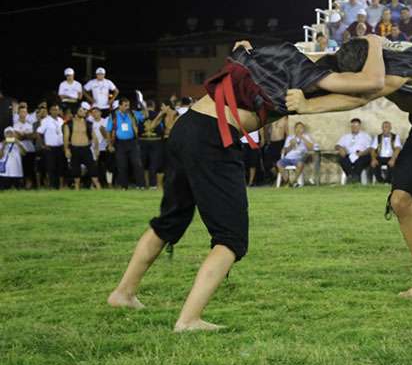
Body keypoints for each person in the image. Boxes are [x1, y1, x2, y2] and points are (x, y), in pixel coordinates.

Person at [108, 37, 388, 330]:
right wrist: (376, 44)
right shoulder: (314, 76)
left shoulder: (282, 52)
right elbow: (373, 84)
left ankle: (123, 293)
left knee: (170, 220)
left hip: (187, 126)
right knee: (231, 238)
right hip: (214, 136)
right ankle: (188, 320)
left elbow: (242, 47)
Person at [287, 36, 412, 307]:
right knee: (400, 201)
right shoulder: (371, 57)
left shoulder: (401, 64)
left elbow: (365, 94)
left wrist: (308, 106)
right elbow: (325, 61)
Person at [106, 98, 145, 189]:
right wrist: (110, 145)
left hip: (132, 142)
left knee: (137, 163)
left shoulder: (132, 113)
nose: (127, 107)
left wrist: (144, 107)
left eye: (128, 105)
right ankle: (124, 186)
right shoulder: (113, 116)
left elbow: (144, 116)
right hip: (120, 143)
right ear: (119, 105)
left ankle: (141, 185)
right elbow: (108, 131)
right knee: (122, 165)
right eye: (125, 105)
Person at [63, 103, 101, 190]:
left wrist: (96, 149)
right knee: (75, 170)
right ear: (75, 113)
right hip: (74, 147)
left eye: (83, 110)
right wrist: (67, 150)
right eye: (81, 110)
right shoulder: (69, 124)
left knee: (92, 168)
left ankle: (97, 186)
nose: (83, 112)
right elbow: (66, 137)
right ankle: (77, 187)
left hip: (86, 147)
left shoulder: (88, 123)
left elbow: (94, 136)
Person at [36, 104, 66, 189]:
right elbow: (38, 133)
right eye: (53, 110)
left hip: (60, 146)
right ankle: (52, 185)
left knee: (61, 167)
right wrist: (42, 144)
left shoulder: (61, 120)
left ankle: (61, 185)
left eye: (56, 110)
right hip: (50, 147)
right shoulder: (46, 121)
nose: (55, 111)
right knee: (51, 168)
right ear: (50, 111)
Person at [137, 100, 165, 189]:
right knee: (154, 163)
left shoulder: (140, 115)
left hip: (142, 140)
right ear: (153, 106)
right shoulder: (158, 115)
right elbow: (162, 128)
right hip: (156, 141)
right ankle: (153, 184)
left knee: (143, 163)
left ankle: (144, 183)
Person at [335, 118, 373, 183]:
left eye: (356, 125)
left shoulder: (366, 136)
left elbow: (370, 148)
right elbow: (337, 146)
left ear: (360, 126)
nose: (354, 127)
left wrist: (363, 153)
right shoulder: (346, 136)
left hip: (362, 155)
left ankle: (354, 176)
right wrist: (340, 148)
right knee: (342, 160)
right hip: (349, 154)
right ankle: (351, 176)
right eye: (353, 125)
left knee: (361, 161)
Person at [276, 122, 313, 187]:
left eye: (301, 128)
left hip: (299, 158)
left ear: (303, 129)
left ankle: (295, 181)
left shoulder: (306, 137)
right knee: (279, 164)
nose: (299, 129)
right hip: (288, 158)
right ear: (295, 129)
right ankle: (286, 180)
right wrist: (291, 145)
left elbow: (311, 147)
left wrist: (303, 139)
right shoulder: (290, 138)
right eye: (297, 128)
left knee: (300, 164)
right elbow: (285, 150)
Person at [13, 104, 36, 188]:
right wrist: (27, 136)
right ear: (18, 113)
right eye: (21, 112)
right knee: (23, 168)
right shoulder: (15, 125)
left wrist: (24, 136)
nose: (23, 113)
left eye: (24, 112)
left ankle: (30, 185)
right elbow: (17, 137)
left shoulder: (30, 125)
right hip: (21, 150)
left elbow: (34, 136)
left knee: (30, 168)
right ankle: (23, 184)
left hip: (30, 149)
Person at [263, 116, 288, 185]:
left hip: (280, 142)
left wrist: (284, 146)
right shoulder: (273, 118)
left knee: (278, 162)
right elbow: (267, 128)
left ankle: (280, 179)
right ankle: (276, 176)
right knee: (267, 163)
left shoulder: (285, 120)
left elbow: (287, 134)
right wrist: (266, 138)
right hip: (271, 143)